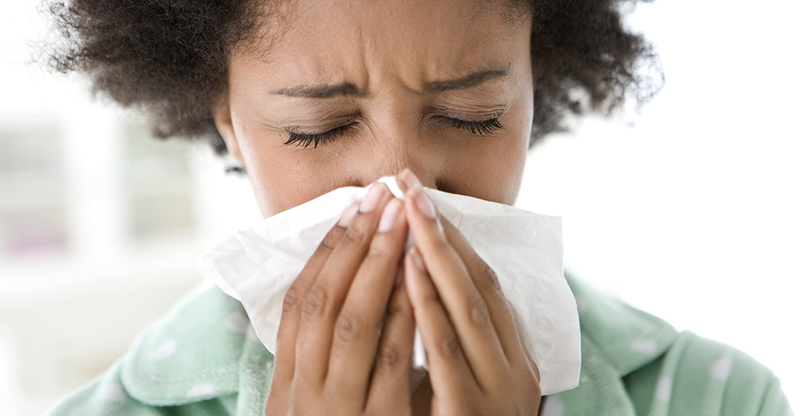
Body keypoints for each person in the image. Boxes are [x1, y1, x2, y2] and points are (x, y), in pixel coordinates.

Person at [43, 0, 792, 414]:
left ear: (536, 92)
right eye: (319, 130)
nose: (401, 185)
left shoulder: (720, 398)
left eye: (472, 113)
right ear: (228, 123)